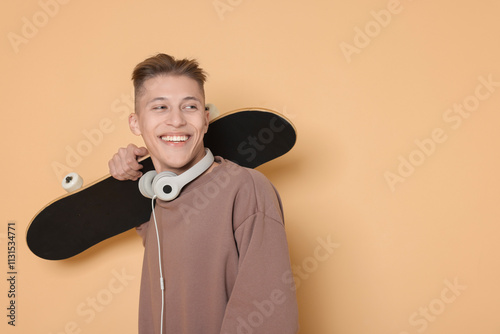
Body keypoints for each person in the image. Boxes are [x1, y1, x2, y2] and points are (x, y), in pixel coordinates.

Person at [108, 53, 298, 334]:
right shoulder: (156, 206)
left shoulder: (247, 189)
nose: (176, 121)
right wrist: (128, 176)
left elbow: (269, 319)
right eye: (160, 107)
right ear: (135, 123)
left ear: (206, 119)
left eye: (190, 107)